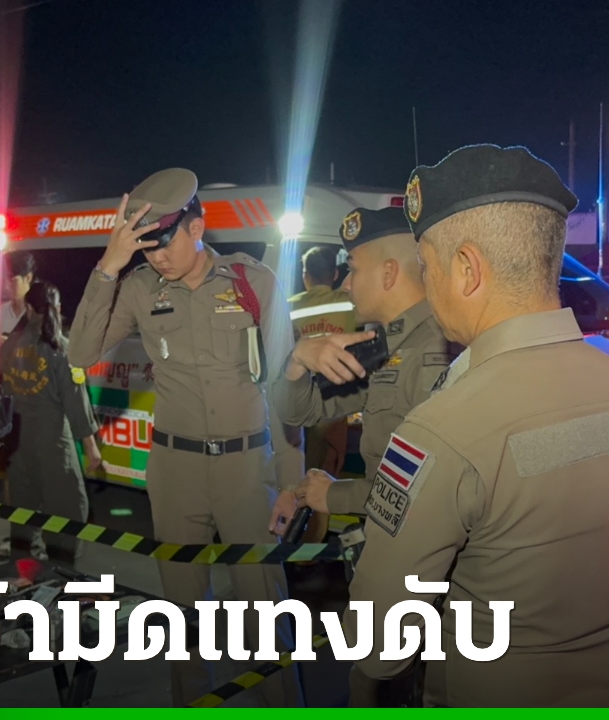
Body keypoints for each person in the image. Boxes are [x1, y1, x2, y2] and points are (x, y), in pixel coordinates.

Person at [327, 144, 609, 707]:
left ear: (467, 269)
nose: (426, 286)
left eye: (427, 267)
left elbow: (379, 646)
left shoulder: (441, 430)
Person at [67, 168, 303, 707]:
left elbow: (286, 387)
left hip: (247, 469)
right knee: (182, 615)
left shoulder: (252, 282)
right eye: (145, 248)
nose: (156, 258)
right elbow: (80, 353)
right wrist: (109, 265)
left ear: (196, 228)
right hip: (175, 470)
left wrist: (291, 482)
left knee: (264, 611)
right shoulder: (137, 288)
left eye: (164, 243)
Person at [268, 207, 453, 539]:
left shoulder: (436, 353)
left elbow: (436, 488)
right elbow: (299, 411)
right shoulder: (384, 347)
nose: (346, 283)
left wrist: (336, 495)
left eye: (353, 269)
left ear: (388, 273)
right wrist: (297, 360)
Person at [0, 281, 102, 564]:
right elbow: (76, 401)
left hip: (18, 441)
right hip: (53, 442)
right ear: (59, 308)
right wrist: (90, 445)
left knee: (23, 509)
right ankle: (60, 572)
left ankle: (22, 571)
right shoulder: (63, 349)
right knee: (68, 509)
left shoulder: (9, 346)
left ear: (28, 309)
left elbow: (2, 393)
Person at [286, 246, 357, 504]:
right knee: (325, 476)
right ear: (336, 274)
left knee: (296, 475)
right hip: (336, 401)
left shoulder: (288, 305)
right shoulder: (351, 302)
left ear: (305, 274)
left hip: (297, 399)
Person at [0, 250, 36, 337]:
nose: (6, 286)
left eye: (12, 280)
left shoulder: (37, 314)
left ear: (28, 278)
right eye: (4, 280)